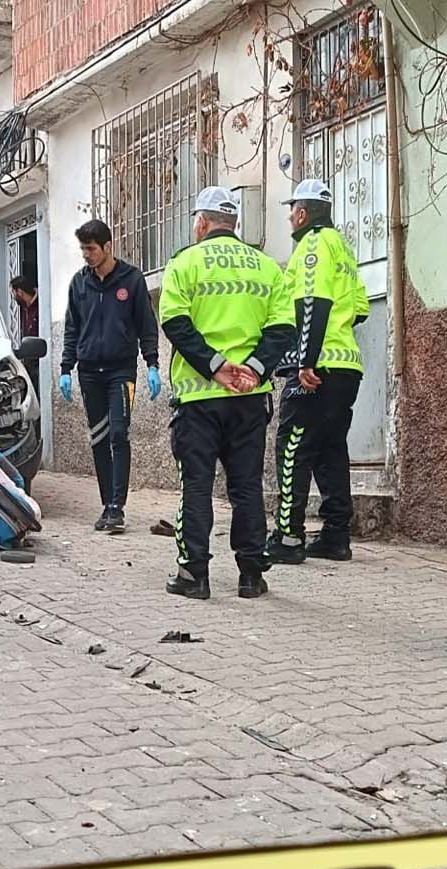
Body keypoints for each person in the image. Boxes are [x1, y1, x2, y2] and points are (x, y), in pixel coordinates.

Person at [158, 188, 296, 600]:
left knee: (196, 486)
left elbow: (176, 324)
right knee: (246, 486)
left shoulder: (185, 262)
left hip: (199, 398)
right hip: (250, 398)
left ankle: (193, 575)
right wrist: (252, 370)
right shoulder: (267, 267)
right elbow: (282, 328)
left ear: (201, 223)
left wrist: (215, 366)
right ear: (233, 224)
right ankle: (251, 576)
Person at [268, 179, 370, 565]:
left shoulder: (311, 245)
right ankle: (335, 536)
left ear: (302, 213)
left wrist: (305, 360)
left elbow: (312, 302)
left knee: (292, 446)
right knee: (331, 450)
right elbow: (359, 308)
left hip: (317, 367)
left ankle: (289, 537)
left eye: (292, 210)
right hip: (346, 366)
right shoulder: (342, 247)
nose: (290, 217)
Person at [59, 219, 161, 534]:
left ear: (107, 247)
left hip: (121, 372)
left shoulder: (131, 280)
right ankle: (107, 505)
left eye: (91, 249)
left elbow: (146, 324)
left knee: (119, 434)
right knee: (100, 439)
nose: (86, 255)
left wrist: (153, 363)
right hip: (90, 372)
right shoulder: (79, 283)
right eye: (83, 250)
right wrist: (66, 368)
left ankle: (117, 508)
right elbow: (72, 327)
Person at [9, 274, 40, 341]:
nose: (13, 298)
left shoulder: (39, 306)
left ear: (19, 292)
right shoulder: (24, 309)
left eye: (13, 293)